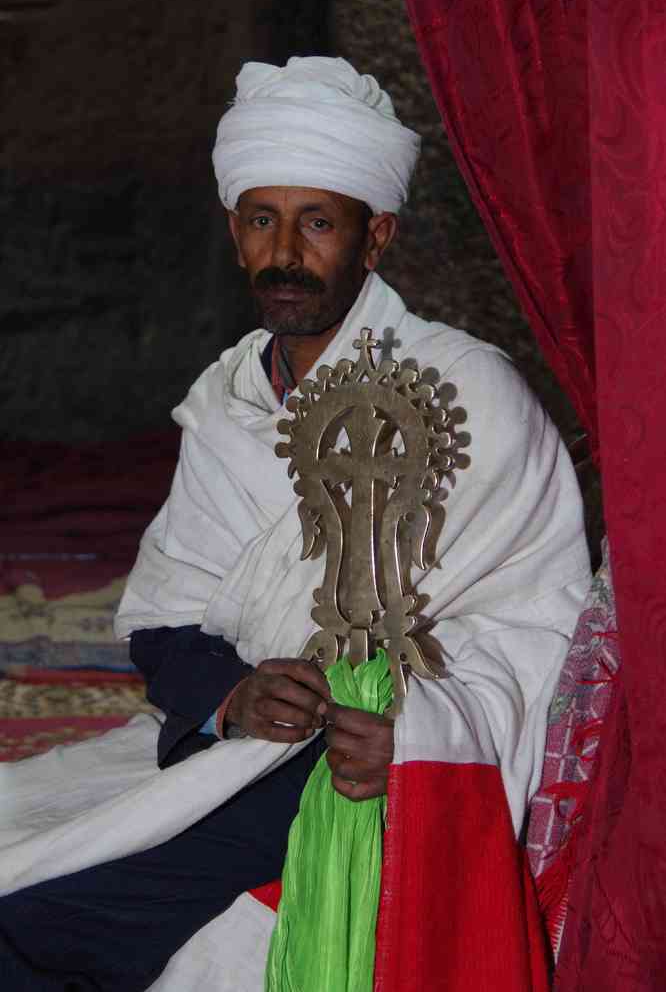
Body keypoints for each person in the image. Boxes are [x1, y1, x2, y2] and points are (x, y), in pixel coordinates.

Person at [0, 57, 591, 992]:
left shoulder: (472, 394)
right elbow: (164, 615)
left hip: (378, 757)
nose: (285, 253)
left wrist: (421, 725)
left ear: (375, 235)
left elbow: (540, 628)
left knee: (44, 925)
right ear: (235, 235)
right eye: (261, 220)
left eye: (317, 222)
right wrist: (233, 694)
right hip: (238, 749)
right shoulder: (229, 401)